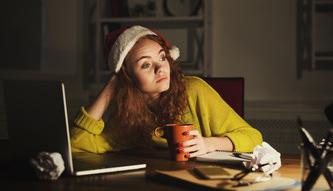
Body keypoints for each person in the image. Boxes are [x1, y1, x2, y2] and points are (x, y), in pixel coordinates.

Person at [70, 25, 262, 158]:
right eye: (145, 64)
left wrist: (209, 144)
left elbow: (254, 138)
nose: (160, 68)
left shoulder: (194, 89)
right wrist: (109, 89)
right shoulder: (128, 119)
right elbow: (74, 145)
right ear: (127, 77)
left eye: (162, 58)